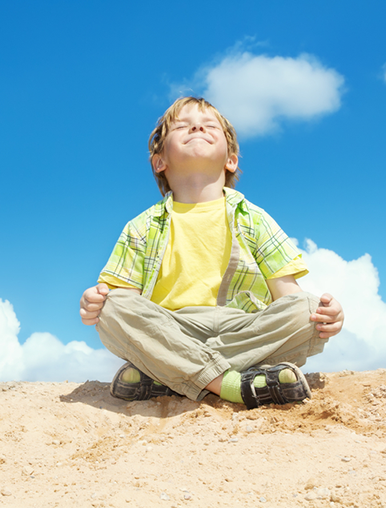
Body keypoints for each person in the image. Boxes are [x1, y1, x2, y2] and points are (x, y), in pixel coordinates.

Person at [79, 97, 344, 409]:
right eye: (183, 125)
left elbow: (288, 296)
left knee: (307, 308)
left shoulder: (253, 218)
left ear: (230, 160)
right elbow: (124, 300)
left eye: (209, 126)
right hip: (172, 329)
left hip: (243, 327)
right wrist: (95, 302)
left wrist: (327, 316)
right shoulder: (142, 226)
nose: (196, 126)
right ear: (160, 161)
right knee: (113, 308)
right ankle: (231, 383)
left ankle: (166, 374)